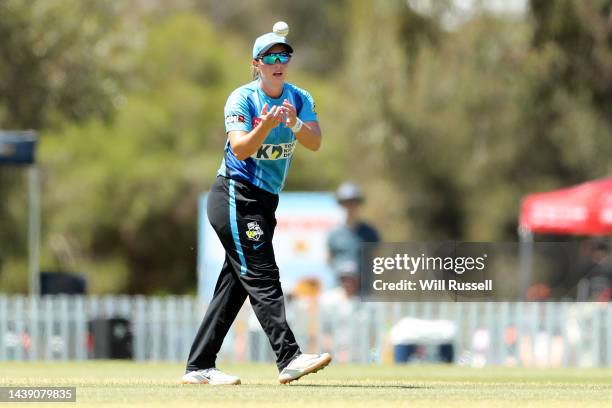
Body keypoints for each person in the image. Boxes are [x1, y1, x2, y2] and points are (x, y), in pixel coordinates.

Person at [182, 23, 331, 385]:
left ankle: (199, 366)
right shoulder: (242, 99)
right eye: (270, 57)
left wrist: (294, 122)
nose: (279, 62)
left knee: (235, 285)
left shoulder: (299, 98)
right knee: (263, 274)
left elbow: (315, 142)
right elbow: (240, 148)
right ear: (256, 63)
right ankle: (289, 356)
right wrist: (264, 126)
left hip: (264, 201)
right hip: (235, 195)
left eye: (284, 56)